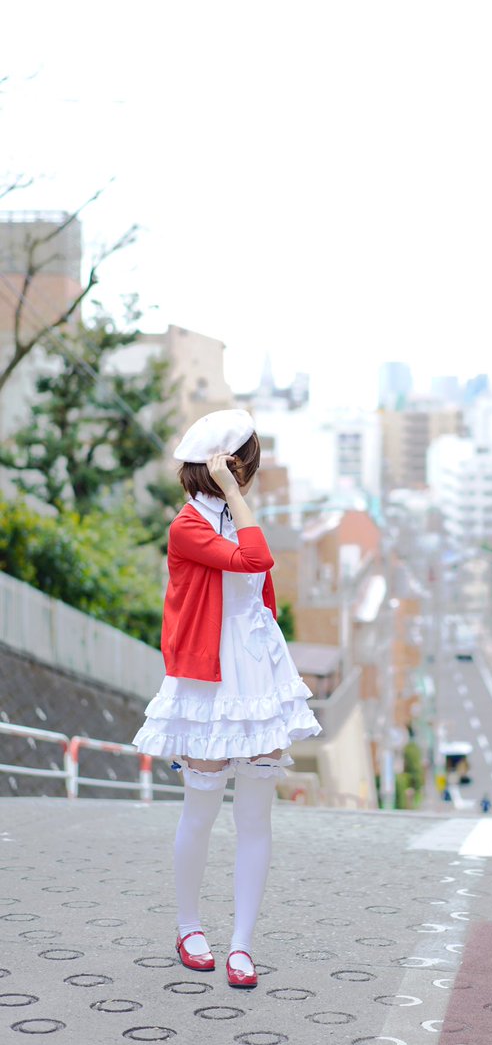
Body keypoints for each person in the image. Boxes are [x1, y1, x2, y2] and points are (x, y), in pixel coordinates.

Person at [133, 409, 321, 989]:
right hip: (209, 679)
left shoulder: (235, 517)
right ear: (231, 467)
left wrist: (234, 498)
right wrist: (235, 494)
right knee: (202, 807)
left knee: (255, 816)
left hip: (259, 674)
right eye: (249, 466)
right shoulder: (188, 527)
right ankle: (189, 927)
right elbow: (256, 560)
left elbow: (259, 590)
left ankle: (242, 944)